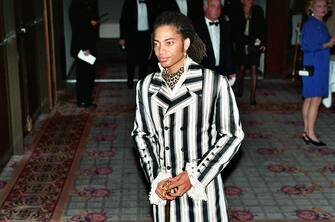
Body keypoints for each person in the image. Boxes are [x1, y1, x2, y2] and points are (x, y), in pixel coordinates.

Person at [131, 11, 244, 222]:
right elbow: (142, 135)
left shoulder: (214, 83)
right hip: (164, 190)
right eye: (156, 44)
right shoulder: (145, 86)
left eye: (169, 43)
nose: (161, 51)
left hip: (202, 190)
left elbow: (232, 135)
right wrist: (156, 176)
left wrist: (194, 176)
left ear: (185, 43)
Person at [301, 0, 335, 146]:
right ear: (312, 8)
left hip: (317, 64)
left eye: (324, 6)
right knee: (315, 99)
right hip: (314, 65)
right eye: (319, 6)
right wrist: (326, 44)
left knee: (309, 99)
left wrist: (329, 42)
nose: (322, 9)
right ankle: (311, 133)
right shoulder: (311, 24)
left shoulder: (319, 23)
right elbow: (305, 46)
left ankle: (306, 131)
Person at [195, 0, 236, 84]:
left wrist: (231, 70)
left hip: (222, 72)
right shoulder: (196, 28)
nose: (216, 9)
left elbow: (228, 50)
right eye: (213, 6)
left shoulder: (225, 26)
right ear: (205, 8)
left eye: (218, 6)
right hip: (203, 73)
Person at [233, 0, 266, 105]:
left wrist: (263, 43)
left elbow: (263, 29)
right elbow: (236, 34)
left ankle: (253, 97)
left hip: (254, 45)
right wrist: (251, 40)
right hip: (241, 45)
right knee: (241, 68)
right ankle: (240, 89)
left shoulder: (257, 11)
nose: (250, 1)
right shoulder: (237, 12)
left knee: (254, 69)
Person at [119, 0, 156, 89]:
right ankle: (130, 79)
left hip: (146, 35)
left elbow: (154, 19)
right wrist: (122, 37)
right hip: (132, 36)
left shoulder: (151, 3)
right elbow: (123, 20)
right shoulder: (129, 3)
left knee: (144, 60)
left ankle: (142, 81)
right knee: (131, 60)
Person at [69, 0, 99, 108]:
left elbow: (85, 24)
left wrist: (92, 23)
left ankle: (86, 98)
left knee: (88, 73)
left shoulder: (84, 4)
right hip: (83, 47)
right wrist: (85, 48)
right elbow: (79, 29)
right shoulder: (77, 6)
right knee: (84, 74)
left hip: (86, 45)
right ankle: (83, 100)